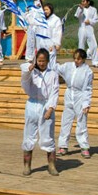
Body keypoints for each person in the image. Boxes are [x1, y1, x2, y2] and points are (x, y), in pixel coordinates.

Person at [20, 48, 59, 176]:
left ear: (48, 61)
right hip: (32, 104)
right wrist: (29, 69)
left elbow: (54, 93)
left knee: (48, 136)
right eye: (39, 60)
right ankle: (27, 166)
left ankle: (52, 165)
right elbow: (24, 78)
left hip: (46, 104)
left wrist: (50, 108)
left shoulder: (53, 74)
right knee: (28, 135)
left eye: (44, 61)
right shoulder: (31, 71)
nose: (41, 63)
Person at [56, 49, 94, 158]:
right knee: (65, 121)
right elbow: (57, 68)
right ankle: (63, 146)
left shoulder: (88, 72)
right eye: (75, 58)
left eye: (79, 59)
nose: (76, 61)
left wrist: (86, 103)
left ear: (83, 59)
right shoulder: (68, 66)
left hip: (80, 96)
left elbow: (88, 89)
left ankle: (84, 146)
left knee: (81, 122)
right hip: (69, 95)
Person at [75, 0, 98, 67]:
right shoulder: (80, 8)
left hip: (89, 28)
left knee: (93, 45)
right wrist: (80, 9)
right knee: (81, 45)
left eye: (84, 1)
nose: (82, 2)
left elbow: (96, 19)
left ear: (88, 2)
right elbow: (77, 16)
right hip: (82, 28)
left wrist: (90, 21)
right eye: (82, 1)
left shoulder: (93, 9)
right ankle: (80, 62)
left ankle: (95, 62)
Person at [36, 3, 63, 69]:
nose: (45, 11)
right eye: (44, 10)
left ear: (51, 10)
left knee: (51, 63)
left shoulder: (56, 19)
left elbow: (58, 32)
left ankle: (52, 77)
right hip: (42, 44)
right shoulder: (42, 19)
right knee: (42, 62)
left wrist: (57, 43)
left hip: (51, 44)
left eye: (47, 9)